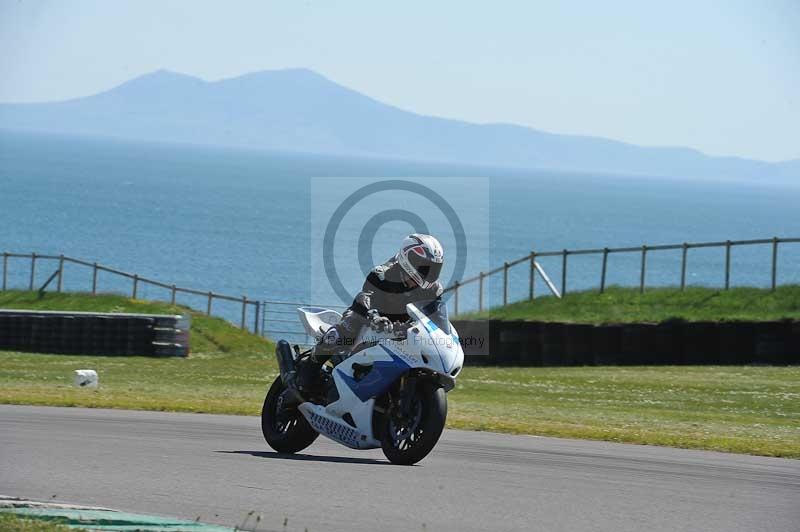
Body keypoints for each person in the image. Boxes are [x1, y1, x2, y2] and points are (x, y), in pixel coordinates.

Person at [292, 233, 445, 393]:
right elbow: (366, 297)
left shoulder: (433, 290)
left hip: (403, 330)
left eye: (433, 269)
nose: (428, 274)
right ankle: (306, 373)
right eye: (424, 268)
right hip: (369, 320)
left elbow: (437, 318)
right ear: (409, 260)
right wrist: (374, 316)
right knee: (346, 329)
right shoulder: (383, 274)